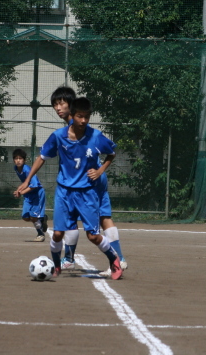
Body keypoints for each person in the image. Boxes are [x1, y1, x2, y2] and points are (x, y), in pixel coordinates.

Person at [16, 97, 122, 279]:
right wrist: (27, 180)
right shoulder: (59, 136)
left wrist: (100, 170)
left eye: (87, 117)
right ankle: (56, 266)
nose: (84, 120)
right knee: (57, 234)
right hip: (64, 191)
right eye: (80, 116)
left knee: (93, 236)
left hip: (87, 192)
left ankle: (114, 259)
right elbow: (42, 157)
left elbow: (111, 153)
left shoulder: (95, 136)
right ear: (72, 115)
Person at [50, 86, 127, 276]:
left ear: (71, 106)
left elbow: (108, 151)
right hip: (81, 180)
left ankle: (118, 259)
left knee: (101, 218)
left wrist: (99, 171)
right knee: (75, 219)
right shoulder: (66, 130)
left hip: (91, 179)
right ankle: (69, 259)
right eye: (55, 104)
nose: (58, 108)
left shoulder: (78, 124)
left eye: (61, 103)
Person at [12, 148, 48, 242]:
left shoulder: (27, 169)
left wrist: (21, 192)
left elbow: (34, 185)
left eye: (20, 158)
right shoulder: (16, 168)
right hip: (28, 195)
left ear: (24, 160)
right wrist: (19, 190)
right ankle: (42, 219)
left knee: (33, 217)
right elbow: (25, 183)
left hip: (37, 193)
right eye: (16, 158)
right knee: (25, 217)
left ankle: (40, 234)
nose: (18, 160)